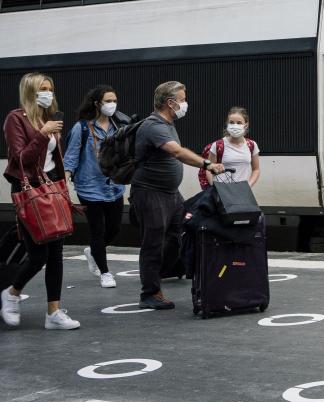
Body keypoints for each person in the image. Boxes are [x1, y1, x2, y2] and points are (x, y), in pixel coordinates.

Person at [130, 81, 225, 310]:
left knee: (181, 232)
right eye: (182, 99)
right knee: (152, 243)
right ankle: (149, 293)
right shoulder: (154, 126)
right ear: (170, 102)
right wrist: (206, 164)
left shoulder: (168, 123)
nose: (185, 103)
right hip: (151, 194)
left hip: (170, 194)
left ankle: (165, 271)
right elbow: (176, 152)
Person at [1, 72, 80, 330]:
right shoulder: (16, 119)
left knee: (56, 252)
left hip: (51, 188)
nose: (48, 93)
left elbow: (53, 161)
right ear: (30, 93)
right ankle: (12, 292)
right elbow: (20, 158)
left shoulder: (49, 118)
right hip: (29, 191)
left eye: (50, 89)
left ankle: (53, 312)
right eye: (42, 89)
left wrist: (63, 185)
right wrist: (44, 134)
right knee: (38, 254)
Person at [64, 85, 126, 288]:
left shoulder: (119, 126)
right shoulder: (81, 128)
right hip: (89, 187)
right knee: (97, 229)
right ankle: (105, 272)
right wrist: (65, 181)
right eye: (108, 101)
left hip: (113, 186)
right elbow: (71, 157)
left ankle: (93, 251)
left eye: (114, 100)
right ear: (97, 103)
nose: (113, 105)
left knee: (115, 227)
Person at [201, 106, 261, 188]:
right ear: (227, 124)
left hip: (243, 192)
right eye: (231, 122)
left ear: (246, 125)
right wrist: (215, 188)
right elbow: (208, 169)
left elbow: (256, 170)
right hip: (222, 193)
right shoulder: (218, 145)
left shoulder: (252, 145)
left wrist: (248, 186)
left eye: (239, 123)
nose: (235, 125)